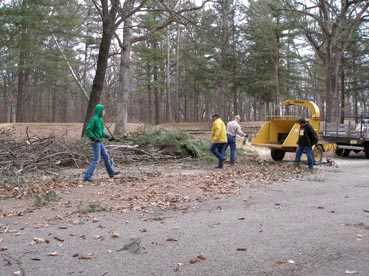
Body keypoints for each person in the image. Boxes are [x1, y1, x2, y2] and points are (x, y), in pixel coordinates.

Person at [83, 104, 119, 182]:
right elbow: (88, 130)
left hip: (99, 141)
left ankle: (111, 173)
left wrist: (109, 137)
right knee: (96, 159)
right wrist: (94, 138)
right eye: (103, 110)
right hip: (95, 142)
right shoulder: (94, 119)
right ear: (99, 111)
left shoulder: (100, 120)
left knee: (106, 156)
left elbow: (101, 132)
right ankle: (87, 176)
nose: (104, 112)